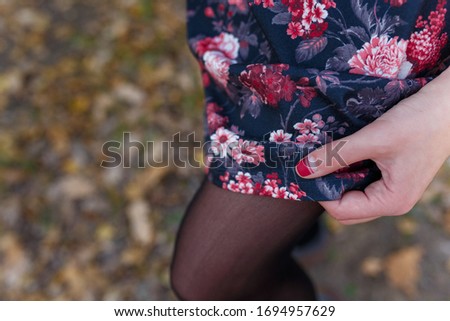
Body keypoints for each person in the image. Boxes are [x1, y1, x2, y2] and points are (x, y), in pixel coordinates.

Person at [170, 0, 450, 300]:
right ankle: (300, 234)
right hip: (257, 14)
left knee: (205, 285)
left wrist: (442, 111)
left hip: (354, 55)